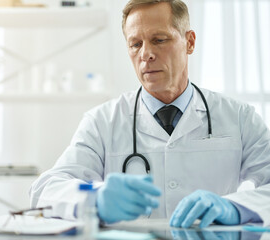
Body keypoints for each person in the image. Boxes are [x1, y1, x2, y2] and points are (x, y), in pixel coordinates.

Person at [29, 0, 270, 228]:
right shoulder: (102, 122)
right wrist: (96, 197)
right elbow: (45, 190)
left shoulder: (239, 117)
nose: (146, 54)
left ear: (190, 42)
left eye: (159, 39)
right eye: (136, 44)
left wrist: (234, 208)